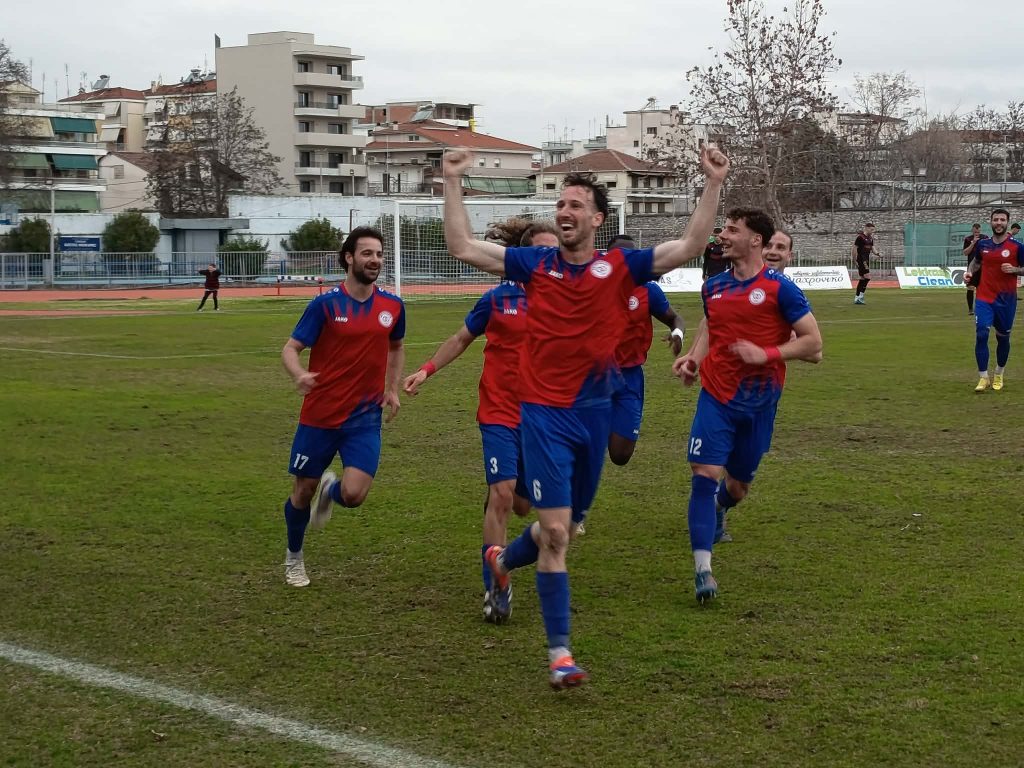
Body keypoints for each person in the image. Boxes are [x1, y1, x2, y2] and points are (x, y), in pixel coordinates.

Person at [442, 144, 728, 689]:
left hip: (595, 416)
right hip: (544, 414)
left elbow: (690, 245)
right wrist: (454, 180)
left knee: (565, 529)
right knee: (555, 533)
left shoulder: (621, 268)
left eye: (576, 204)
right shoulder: (534, 265)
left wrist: (712, 182)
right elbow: (461, 244)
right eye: (561, 204)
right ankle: (560, 654)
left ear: (598, 218)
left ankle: (503, 559)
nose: (565, 211)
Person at [402, 218, 560, 625]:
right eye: (539, 251)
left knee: (524, 505)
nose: (547, 259)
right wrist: (426, 369)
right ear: (524, 258)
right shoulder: (497, 298)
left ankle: (501, 518)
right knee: (504, 495)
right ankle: (496, 587)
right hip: (499, 412)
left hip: (542, 416)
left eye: (553, 252)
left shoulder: (566, 302)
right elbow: (460, 339)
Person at [673, 208, 822, 604]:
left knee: (738, 487)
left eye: (732, 230)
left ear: (755, 240)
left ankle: (725, 504)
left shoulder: (779, 289)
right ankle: (703, 569)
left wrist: (767, 353)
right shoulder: (713, 287)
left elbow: (814, 344)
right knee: (703, 473)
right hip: (716, 397)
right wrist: (693, 359)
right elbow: (711, 330)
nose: (722, 235)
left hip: (759, 404)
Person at [279, 226, 405, 587]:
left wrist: (391, 389)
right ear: (349, 258)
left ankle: (330, 491)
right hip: (320, 416)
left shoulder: (393, 306)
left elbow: (396, 347)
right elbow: (290, 348)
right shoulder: (325, 304)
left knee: (354, 495)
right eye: (367, 253)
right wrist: (299, 374)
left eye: (379, 254)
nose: (375, 260)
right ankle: (294, 558)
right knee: (302, 491)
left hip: (364, 417)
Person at [606, 233, 686, 466]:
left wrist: (677, 333)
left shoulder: (647, 290)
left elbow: (675, 319)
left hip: (629, 376)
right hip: (593, 374)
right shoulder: (591, 287)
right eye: (619, 255)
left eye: (632, 255)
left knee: (620, 455)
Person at [964, 208, 1023, 392]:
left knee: (1003, 338)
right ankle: (983, 377)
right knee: (981, 332)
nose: (999, 223)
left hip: (1006, 300)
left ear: (1007, 223)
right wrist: (970, 272)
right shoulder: (983, 245)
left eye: (1002, 220)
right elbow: (976, 262)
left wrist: (1014, 270)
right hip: (984, 297)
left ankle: (999, 373)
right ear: (991, 222)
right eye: (995, 219)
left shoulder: (1017, 247)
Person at [852, 224, 879, 305]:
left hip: (866, 260)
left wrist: (878, 253)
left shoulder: (870, 238)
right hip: (861, 259)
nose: (872, 231)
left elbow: (873, 248)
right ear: (866, 228)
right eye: (871, 229)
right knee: (868, 277)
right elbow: (854, 248)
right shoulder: (860, 237)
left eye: (873, 230)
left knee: (863, 278)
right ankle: (861, 296)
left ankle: (857, 298)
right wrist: (854, 260)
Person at [963, 224, 983, 316]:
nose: (977, 233)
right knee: (970, 287)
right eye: (975, 232)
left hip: (983, 267)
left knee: (982, 288)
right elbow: (965, 253)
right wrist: (973, 243)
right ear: (972, 230)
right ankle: (970, 309)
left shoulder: (985, 238)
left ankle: (981, 307)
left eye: (978, 232)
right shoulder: (968, 239)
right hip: (972, 267)